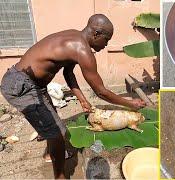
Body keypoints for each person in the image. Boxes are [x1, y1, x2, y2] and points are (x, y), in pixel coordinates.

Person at [0, 14, 146, 179]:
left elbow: (68, 73)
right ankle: (60, 177)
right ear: (96, 34)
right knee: (57, 134)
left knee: (54, 123)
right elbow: (101, 91)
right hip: (21, 85)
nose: (106, 45)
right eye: (106, 39)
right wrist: (130, 104)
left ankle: (50, 154)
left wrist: (82, 99)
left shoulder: (75, 38)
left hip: (33, 84)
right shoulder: (81, 50)